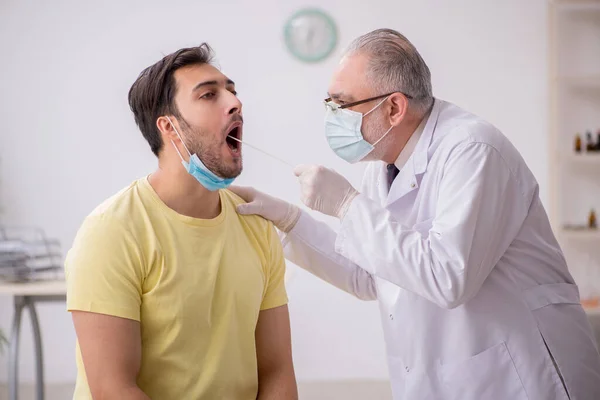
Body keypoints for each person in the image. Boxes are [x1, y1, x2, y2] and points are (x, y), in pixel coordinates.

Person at [231, 29, 600, 399]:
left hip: (523, 376)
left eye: (340, 105)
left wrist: (347, 205)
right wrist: (289, 221)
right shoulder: (384, 164)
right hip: (452, 376)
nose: (332, 117)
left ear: (394, 108)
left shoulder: (472, 150)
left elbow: (447, 277)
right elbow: (368, 276)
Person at [65, 43, 297, 400]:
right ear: (169, 128)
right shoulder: (111, 231)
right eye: (209, 95)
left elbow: (277, 372)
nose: (235, 103)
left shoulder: (255, 224)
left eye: (231, 91)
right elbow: (114, 388)